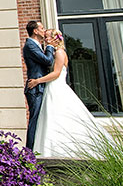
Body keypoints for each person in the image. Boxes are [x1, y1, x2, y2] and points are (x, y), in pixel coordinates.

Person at [26, 29, 108, 158]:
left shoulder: (59, 53)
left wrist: (37, 81)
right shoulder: (54, 53)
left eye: (47, 37)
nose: (46, 40)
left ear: (55, 39)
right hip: (51, 88)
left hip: (56, 88)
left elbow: (56, 73)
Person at [22, 20, 55, 152]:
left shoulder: (37, 45)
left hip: (40, 87)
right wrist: (50, 47)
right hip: (35, 89)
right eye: (41, 28)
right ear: (35, 31)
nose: (44, 30)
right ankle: (29, 152)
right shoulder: (30, 46)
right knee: (34, 120)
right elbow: (47, 61)